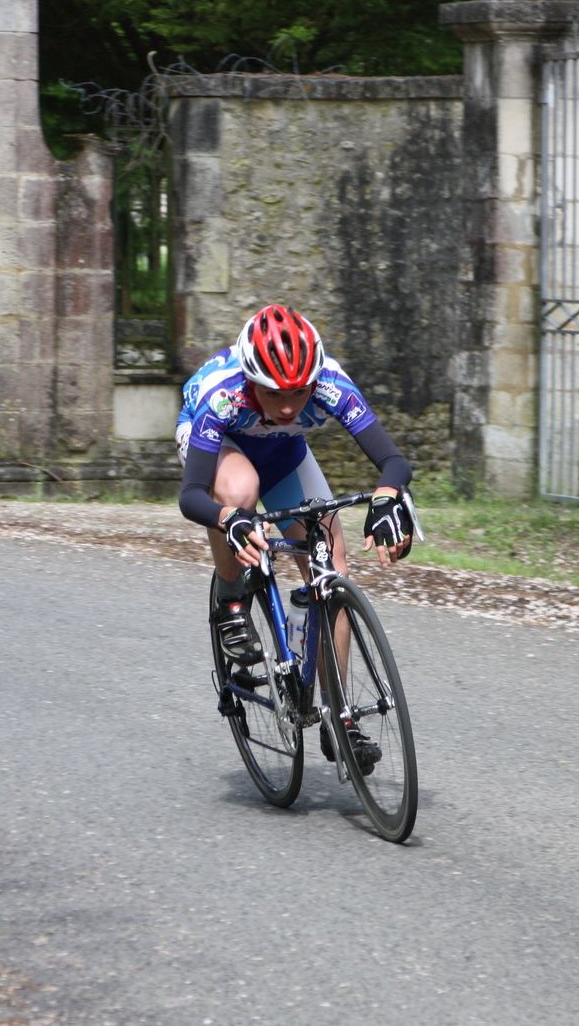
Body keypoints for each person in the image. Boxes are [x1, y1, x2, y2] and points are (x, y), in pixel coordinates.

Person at [175, 304, 415, 767]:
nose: (288, 406)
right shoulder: (223, 396)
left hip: (282, 452)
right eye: (274, 393)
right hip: (219, 446)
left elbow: (393, 461)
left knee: (333, 565)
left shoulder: (328, 382)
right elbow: (190, 497)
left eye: (299, 392)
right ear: (251, 379)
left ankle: (338, 717)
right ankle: (230, 601)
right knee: (241, 493)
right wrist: (230, 518)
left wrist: (388, 497)